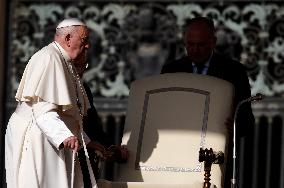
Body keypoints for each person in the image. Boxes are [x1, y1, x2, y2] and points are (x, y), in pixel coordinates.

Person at [161, 17, 255, 188]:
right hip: (177, 154)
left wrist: (234, 125)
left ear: (214, 42)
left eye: (201, 44)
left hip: (215, 157)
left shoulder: (234, 72)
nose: (195, 50)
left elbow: (247, 122)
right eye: (190, 44)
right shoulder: (171, 71)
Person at [5, 18, 98, 188]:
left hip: (52, 135)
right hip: (38, 136)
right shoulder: (48, 58)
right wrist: (64, 135)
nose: (87, 46)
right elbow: (43, 110)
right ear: (68, 38)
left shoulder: (64, 61)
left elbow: (68, 113)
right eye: (84, 40)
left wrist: (88, 141)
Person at [73, 51, 128, 186]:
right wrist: (87, 142)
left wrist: (111, 148)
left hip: (83, 165)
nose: (80, 72)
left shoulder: (83, 88)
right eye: (76, 66)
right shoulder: (53, 88)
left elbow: (93, 127)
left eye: (83, 66)